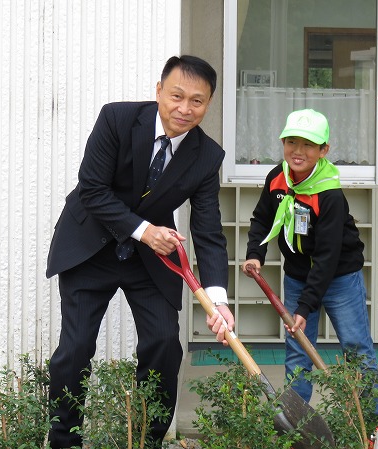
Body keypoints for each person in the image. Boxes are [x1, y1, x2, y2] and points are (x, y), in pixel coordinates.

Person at [45, 55, 235, 449]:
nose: (184, 109)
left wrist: (217, 299)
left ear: (209, 103)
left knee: (165, 344)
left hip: (152, 260)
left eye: (197, 101)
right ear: (159, 92)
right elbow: (92, 189)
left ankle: (148, 441)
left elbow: (208, 230)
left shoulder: (206, 156)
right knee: (76, 348)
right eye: (176, 96)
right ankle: (64, 441)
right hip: (90, 246)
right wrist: (146, 231)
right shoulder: (116, 119)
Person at [233, 108, 378, 414]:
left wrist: (304, 307)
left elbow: (328, 258)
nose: (297, 151)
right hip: (299, 275)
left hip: (339, 276)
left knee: (356, 347)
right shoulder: (278, 178)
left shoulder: (328, 194)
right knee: (298, 351)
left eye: (308, 145)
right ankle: (296, 420)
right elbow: (262, 219)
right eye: (291, 142)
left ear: (323, 150)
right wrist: (255, 253)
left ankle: (372, 419)